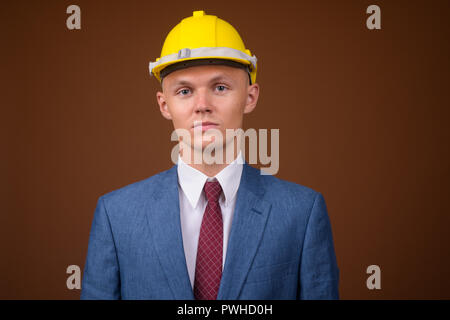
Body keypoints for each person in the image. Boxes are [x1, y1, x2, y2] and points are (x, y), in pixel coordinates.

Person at [81, 10, 339, 300]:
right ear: (164, 104)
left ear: (250, 96)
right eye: (184, 91)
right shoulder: (116, 216)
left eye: (220, 87)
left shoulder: (302, 213)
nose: (202, 105)